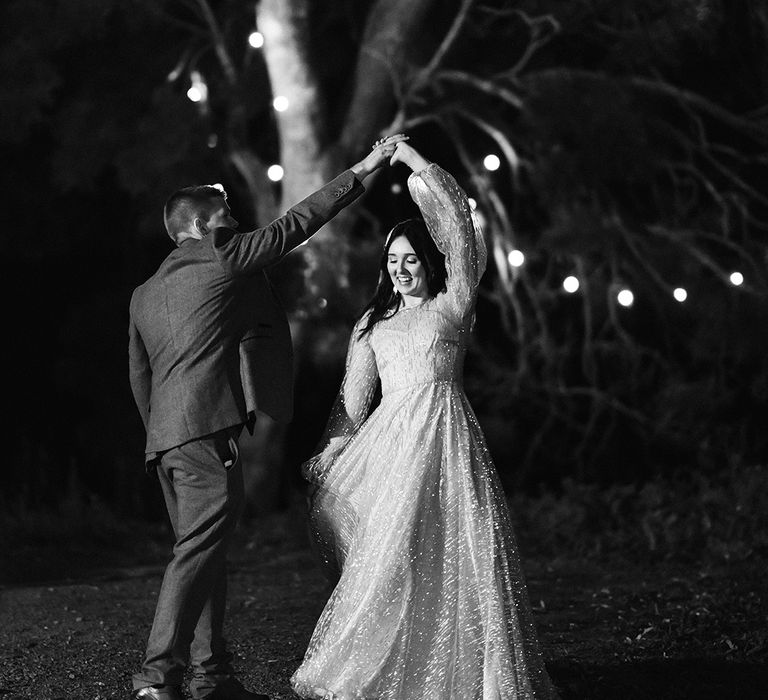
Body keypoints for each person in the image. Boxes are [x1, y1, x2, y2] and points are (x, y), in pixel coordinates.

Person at [127, 134, 407, 700]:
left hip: (165, 439)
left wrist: (163, 433)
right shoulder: (223, 256)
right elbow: (297, 223)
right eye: (227, 214)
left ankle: (212, 677)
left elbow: (140, 377)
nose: (236, 222)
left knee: (202, 550)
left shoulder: (143, 292)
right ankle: (158, 677)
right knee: (196, 552)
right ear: (204, 225)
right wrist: (366, 166)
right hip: (203, 432)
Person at [291, 141, 559, 699]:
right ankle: (383, 663)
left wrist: (412, 160)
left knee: (459, 549)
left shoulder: (451, 304)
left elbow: (460, 229)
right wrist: (335, 446)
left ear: (428, 264)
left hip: (446, 435)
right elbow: (354, 396)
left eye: (411, 259)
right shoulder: (373, 323)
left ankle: (465, 672)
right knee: (389, 552)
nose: (401, 269)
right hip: (391, 442)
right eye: (393, 262)